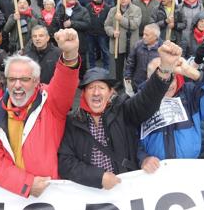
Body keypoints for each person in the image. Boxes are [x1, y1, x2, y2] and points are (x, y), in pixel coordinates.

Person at [58, 42, 181, 189]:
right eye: (91, 88)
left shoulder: (122, 110)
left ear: (110, 93)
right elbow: (65, 162)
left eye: (101, 88)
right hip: (90, 193)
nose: (96, 92)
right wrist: (98, 177)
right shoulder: (73, 121)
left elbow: (146, 100)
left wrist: (164, 70)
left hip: (124, 190)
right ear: (83, 94)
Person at [0, 29, 81, 198]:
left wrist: (70, 54)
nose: (17, 85)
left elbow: (65, 82)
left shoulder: (50, 101)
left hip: (55, 194)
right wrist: (25, 183)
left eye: (25, 79)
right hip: (16, 197)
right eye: (12, 79)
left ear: (36, 81)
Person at [139, 53, 204, 171]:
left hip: (189, 169)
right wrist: (143, 158)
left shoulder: (190, 94)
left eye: (171, 78)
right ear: (149, 80)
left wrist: (192, 73)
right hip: (154, 171)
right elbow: (130, 138)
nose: (167, 85)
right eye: (160, 79)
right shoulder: (139, 100)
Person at [104, 0, 142, 83]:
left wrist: (121, 19)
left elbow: (135, 25)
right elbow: (106, 25)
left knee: (131, 65)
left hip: (131, 43)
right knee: (118, 65)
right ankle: (119, 82)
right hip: (118, 43)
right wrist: (112, 32)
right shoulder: (113, 10)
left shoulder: (136, 9)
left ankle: (130, 82)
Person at [53, 0, 90, 77]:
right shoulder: (59, 10)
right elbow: (54, 25)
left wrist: (72, 23)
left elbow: (87, 24)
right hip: (64, 44)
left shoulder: (83, 10)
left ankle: (81, 80)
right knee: (67, 64)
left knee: (81, 63)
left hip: (80, 43)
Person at [125, 23, 162, 92]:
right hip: (137, 84)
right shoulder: (138, 45)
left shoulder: (163, 49)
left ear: (155, 37)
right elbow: (130, 63)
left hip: (153, 85)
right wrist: (127, 78)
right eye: (143, 34)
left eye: (147, 35)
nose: (143, 37)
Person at [86, 0, 111, 71]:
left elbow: (109, 21)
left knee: (105, 51)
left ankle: (106, 67)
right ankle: (92, 67)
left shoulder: (107, 8)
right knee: (90, 51)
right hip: (90, 33)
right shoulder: (88, 6)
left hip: (102, 34)